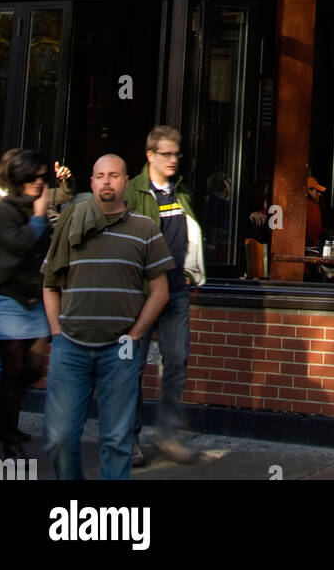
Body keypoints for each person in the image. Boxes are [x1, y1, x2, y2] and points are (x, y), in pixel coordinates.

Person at [42, 154, 172, 481]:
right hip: (70, 346)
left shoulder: (145, 229)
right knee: (58, 439)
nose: (106, 182)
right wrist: (56, 331)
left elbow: (160, 292)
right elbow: (49, 284)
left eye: (113, 175)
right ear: (92, 182)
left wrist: (137, 334)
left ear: (126, 181)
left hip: (121, 349)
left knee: (117, 440)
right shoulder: (72, 223)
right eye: (100, 176)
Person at [126, 125, 205, 466]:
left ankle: (168, 435)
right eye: (167, 154)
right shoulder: (133, 192)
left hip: (175, 291)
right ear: (150, 155)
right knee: (131, 366)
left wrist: (189, 272)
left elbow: (188, 232)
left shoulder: (180, 191)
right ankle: (127, 439)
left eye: (177, 154)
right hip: (141, 294)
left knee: (176, 361)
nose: (174, 160)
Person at [0, 150, 52, 457]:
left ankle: (6, 421)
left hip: (33, 301)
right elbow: (19, 244)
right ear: (18, 179)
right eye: (32, 177)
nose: (38, 182)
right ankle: (8, 437)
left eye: (42, 177)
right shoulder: (5, 210)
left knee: (32, 369)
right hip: (7, 298)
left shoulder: (39, 208)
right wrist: (38, 218)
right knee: (13, 369)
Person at [305, 175, 326, 247]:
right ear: (308, 190)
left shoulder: (299, 204)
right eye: (316, 191)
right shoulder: (312, 206)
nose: (319, 194)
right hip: (310, 248)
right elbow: (313, 233)